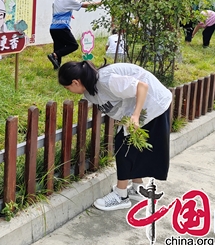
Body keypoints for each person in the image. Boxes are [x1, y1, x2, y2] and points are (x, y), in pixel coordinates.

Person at [58, 60, 172, 211]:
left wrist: (135, 116)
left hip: (152, 104)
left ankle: (121, 196)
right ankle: (136, 187)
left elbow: (141, 86)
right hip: (141, 108)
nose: (69, 91)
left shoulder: (106, 81)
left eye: (68, 88)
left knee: (123, 148)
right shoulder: (90, 86)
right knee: (132, 147)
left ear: (75, 82)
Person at [47, 0, 101, 69]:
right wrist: (99, 3)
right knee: (73, 45)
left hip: (53, 27)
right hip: (62, 27)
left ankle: (56, 66)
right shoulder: (68, 0)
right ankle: (54, 55)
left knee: (58, 46)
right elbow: (84, 5)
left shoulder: (56, 0)